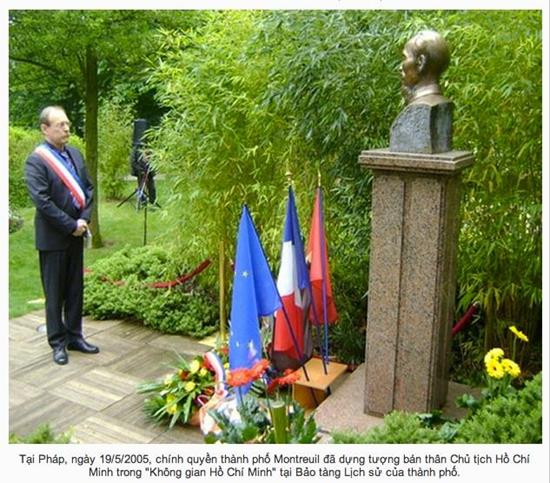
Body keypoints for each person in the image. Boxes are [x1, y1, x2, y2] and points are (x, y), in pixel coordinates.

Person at [25, 106, 100, 365]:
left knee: (75, 289)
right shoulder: (36, 161)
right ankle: (57, 343)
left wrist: (84, 219)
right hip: (53, 238)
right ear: (45, 129)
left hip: (76, 234)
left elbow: (88, 190)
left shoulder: (76, 155)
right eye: (60, 125)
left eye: (67, 124)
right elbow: (43, 202)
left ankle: (75, 336)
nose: (66, 128)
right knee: (55, 292)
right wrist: (71, 224)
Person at [390, 30, 453, 154]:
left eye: (405, 57)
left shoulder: (419, 111)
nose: (400, 67)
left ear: (420, 63)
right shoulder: (444, 105)